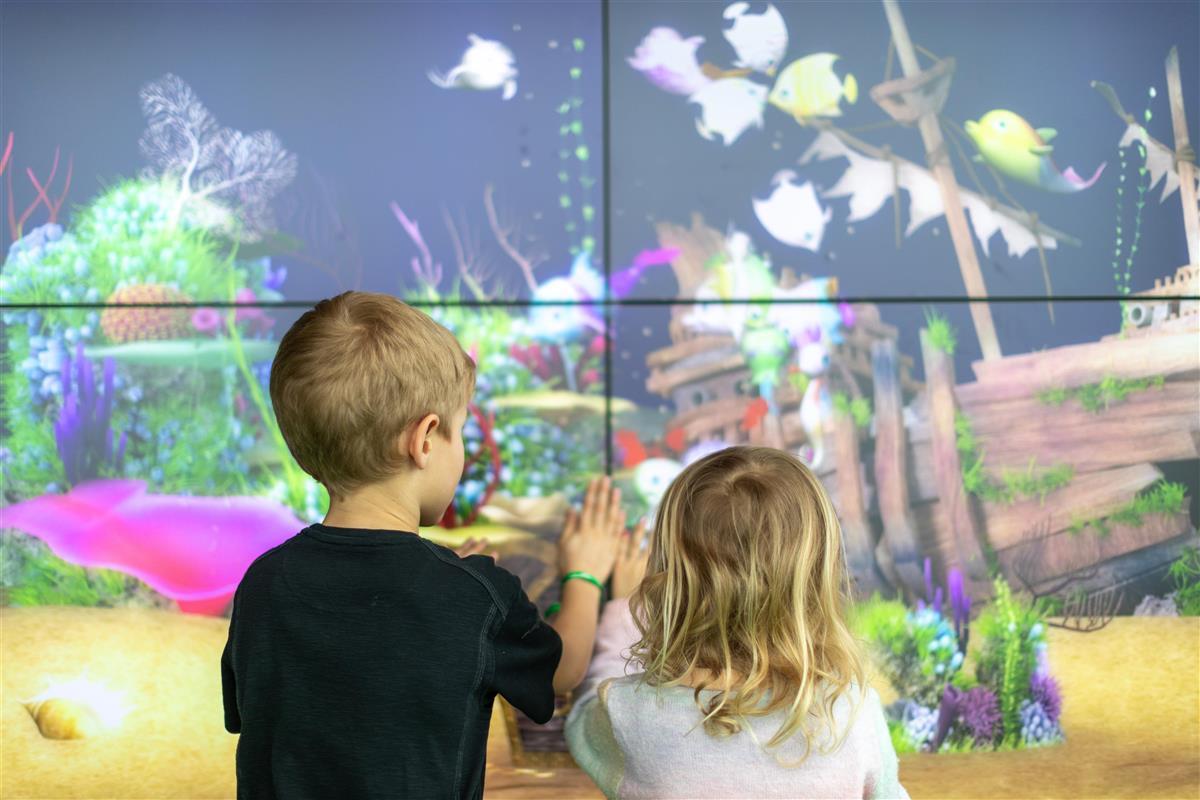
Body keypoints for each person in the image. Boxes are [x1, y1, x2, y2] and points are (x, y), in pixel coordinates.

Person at [220, 291, 626, 799]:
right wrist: (584, 574)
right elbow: (562, 671)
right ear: (426, 439)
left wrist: (451, 586)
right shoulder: (475, 598)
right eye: (461, 430)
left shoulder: (263, 583)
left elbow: (265, 710)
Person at [564, 445, 911, 799]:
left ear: (667, 579)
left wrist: (622, 605)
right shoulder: (853, 713)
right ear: (817, 576)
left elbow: (583, 717)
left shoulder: (627, 715)